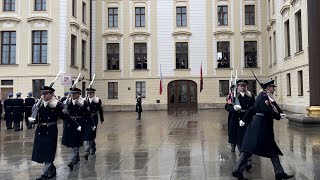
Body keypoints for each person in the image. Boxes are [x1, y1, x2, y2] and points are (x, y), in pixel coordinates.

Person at [232, 80, 293, 180]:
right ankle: (237, 170)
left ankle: (279, 173)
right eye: (273, 87)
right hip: (260, 127)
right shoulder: (263, 96)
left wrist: (245, 119)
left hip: (263, 126)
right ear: (268, 87)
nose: (274, 89)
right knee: (249, 149)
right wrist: (278, 115)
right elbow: (265, 110)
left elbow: (253, 109)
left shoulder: (265, 96)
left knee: (272, 150)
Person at [29, 86, 62, 180]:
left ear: (51, 94)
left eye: (45, 94)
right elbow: (35, 118)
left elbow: (65, 116)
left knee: (49, 151)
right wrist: (33, 116)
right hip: (40, 130)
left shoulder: (57, 104)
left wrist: (76, 125)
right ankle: (52, 169)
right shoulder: (39, 104)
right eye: (42, 94)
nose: (43, 95)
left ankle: (46, 173)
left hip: (50, 130)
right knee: (43, 151)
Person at [62, 87, 88, 170]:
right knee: (72, 143)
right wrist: (64, 111)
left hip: (79, 124)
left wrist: (90, 125)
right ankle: (76, 158)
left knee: (75, 143)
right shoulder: (67, 102)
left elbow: (87, 114)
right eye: (71, 93)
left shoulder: (83, 102)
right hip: (70, 125)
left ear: (78, 94)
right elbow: (63, 116)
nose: (72, 95)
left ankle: (72, 160)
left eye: (74, 94)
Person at [83, 87, 104, 160]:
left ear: (93, 93)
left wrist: (102, 119)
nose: (89, 94)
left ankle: (90, 149)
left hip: (94, 118)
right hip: (87, 119)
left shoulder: (97, 101)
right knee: (87, 133)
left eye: (90, 93)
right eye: (88, 93)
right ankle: (89, 149)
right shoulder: (85, 100)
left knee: (92, 133)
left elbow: (100, 110)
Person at [225, 85, 235, 152]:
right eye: (233, 89)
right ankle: (233, 145)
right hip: (232, 115)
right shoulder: (230, 96)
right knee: (231, 130)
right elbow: (227, 106)